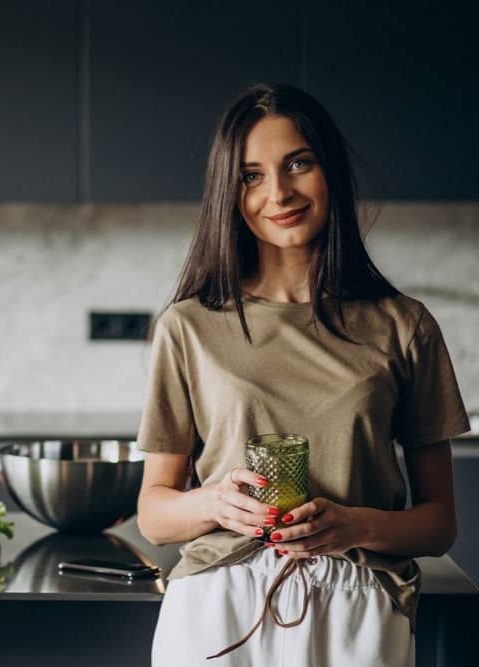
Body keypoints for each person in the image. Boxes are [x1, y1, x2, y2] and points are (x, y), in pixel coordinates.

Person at [135, 82, 471, 665]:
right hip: (218, 606)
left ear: (329, 171)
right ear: (229, 193)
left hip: (359, 611)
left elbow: (439, 524)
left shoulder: (403, 326)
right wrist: (216, 504)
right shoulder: (188, 327)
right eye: (251, 175)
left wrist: (354, 525)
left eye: (298, 163)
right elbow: (155, 516)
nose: (279, 192)